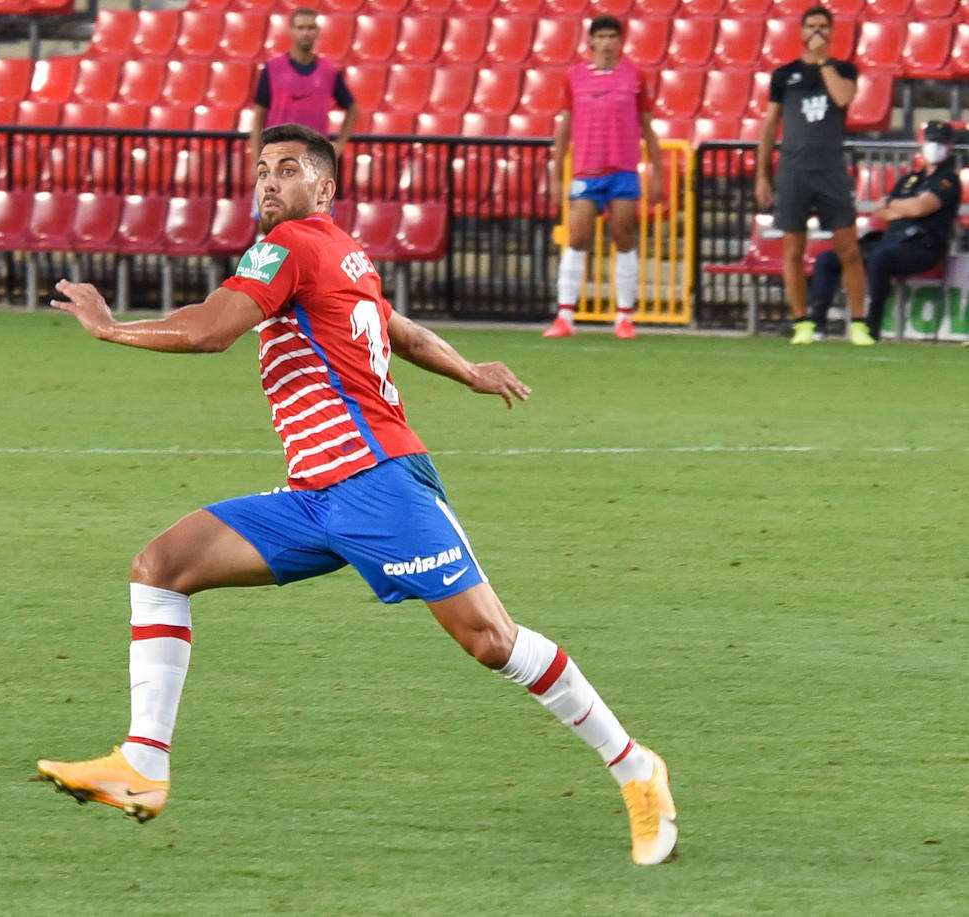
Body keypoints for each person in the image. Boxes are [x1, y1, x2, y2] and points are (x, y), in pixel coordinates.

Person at [36, 123, 679, 867]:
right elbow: (401, 332)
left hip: (377, 484)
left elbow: (212, 330)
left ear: (324, 187)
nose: (269, 181)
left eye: (288, 169)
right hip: (314, 497)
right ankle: (142, 765)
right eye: (262, 170)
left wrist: (113, 329)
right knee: (161, 567)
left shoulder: (291, 245)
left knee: (491, 641)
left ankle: (636, 767)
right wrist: (470, 370)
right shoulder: (344, 253)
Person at [755, 5, 874, 346]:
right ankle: (802, 322)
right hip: (794, 170)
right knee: (793, 249)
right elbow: (769, 126)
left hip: (831, 170)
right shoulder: (784, 75)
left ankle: (858, 323)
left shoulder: (844, 69)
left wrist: (823, 63)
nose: (817, 32)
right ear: (801, 32)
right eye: (811, 26)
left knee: (848, 249)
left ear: (832, 32)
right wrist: (762, 175)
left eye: (823, 26)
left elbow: (843, 97)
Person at [545, 14, 664, 340]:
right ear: (591, 41)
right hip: (587, 169)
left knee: (624, 238)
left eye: (613, 37)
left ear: (621, 41)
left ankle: (624, 316)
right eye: (602, 37)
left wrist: (657, 173)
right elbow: (564, 128)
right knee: (577, 238)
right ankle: (565, 316)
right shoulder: (574, 77)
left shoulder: (635, 76)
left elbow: (648, 127)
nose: (608, 43)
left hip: (624, 169)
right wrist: (556, 175)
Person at [806, 122, 962, 342]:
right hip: (891, 240)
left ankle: (873, 323)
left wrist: (896, 206)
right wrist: (904, 207)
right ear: (922, 142)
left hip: (923, 246)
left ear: (949, 147)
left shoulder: (948, 180)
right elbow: (882, 210)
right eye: (931, 141)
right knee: (828, 258)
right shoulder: (910, 179)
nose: (934, 146)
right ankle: (817, 322)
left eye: (940, 142)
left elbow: (920, 208)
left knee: (881, 257)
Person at [247, 8, 359, 165]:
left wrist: (339, 145)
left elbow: (353, 109)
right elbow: (258, 115)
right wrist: (256, 159)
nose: (305, 33)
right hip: (277, 156)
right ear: (291, 30)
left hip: (313, 160)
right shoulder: (273, 68)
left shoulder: (329, 71)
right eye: (300, 28)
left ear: (317, 31)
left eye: (310, 27)